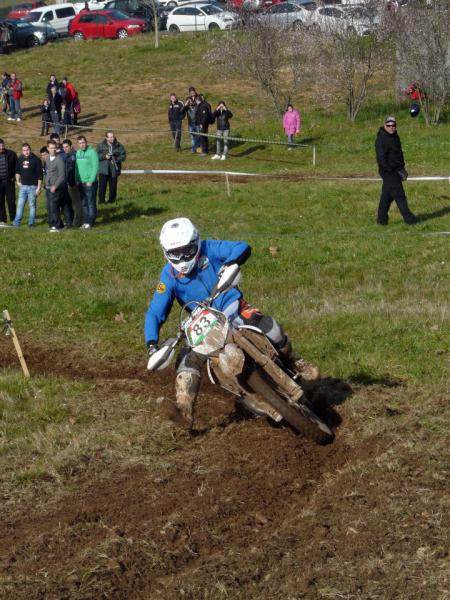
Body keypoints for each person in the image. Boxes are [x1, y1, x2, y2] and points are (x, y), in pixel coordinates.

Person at [144, 217, 320, 427]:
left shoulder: (210, 248)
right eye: (175, 253)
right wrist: (152, 345)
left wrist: (229, 264)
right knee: (186, 360)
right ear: (166, 252)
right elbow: (155, 312)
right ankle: (185, 411)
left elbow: (241, 247)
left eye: (187, 251)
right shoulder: (168, 276)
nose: (182, 258)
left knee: (270, 328)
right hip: (206, 325)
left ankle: (294, 360)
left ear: (196, 242)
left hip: (231, 307)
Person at [375, 116, 419, 226]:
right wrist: (389, 171)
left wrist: (402, 168)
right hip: (389, 172)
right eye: (389, 125)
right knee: (400, 196)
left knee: (387, 196)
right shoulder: (381, 139)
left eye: (393, 125)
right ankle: (410, 220)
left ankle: (381, 220)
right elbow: (381, 158)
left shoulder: (395, 136)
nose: (391, 127)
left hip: (397, 170)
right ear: (385, 125)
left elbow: (399, 154)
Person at [13, 143, 42, 228]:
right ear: (22, 151)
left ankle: (31, 223)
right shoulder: (20, 159)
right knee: (20, 205)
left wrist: (38, 188)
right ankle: (16, 223)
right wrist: (18, 182)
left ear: (30, 149)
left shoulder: (36, 160)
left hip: (33, 187)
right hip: (23, 187)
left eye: (27, 150)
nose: (26, 152)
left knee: (32, 206)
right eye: (24, 150)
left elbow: (40, 175)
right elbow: (17, 171)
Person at [75, 135, 99, 230]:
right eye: (80, 143)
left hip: (90, 183)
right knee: (84, 203)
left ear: (86, 142)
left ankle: (91, 222)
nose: (82, 145)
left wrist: (91, 180)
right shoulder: (78, 153)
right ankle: (85, 221)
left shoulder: (92, 152)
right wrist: (76, 179)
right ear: (78, 144)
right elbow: (76, 168)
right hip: (81, 182)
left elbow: (95, 167)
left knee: (91, 202)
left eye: (83, 142)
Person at [96, 131, 126, 204]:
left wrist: (116, 159)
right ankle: (101, 201)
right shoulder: (100, 145)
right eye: (110, 137)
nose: (112, 138)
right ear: (106, 138)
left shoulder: (119, 145)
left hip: (114, 170)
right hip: (103, 170)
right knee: (102, 187)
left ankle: (111, 201)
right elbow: (96, 156)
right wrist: (104, 156)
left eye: (113, 137)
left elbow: (123, 156)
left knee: (113, 186)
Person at [44, 139, 66, 232]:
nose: (52, 150)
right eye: (51, 148)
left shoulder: (59, 159)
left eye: (54, 148)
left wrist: (55, 186)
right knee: (49, 206)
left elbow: (62, 175)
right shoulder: (47, 159)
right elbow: (48, 173)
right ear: (48, 148)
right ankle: (56, 224)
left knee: (54, 206)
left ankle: (56, 226)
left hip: (56, 188)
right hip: (48, 187)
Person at [62, 139, 82, 227]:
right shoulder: (68, 155)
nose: (65, 149)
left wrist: (72, 182)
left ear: (71, 146)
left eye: (66, 147)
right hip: (69, 183)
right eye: (63, 147)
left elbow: (72, 171)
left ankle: (77, 222)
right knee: (73, 203)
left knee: (76, 203)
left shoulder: (73, 156)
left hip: (73, 183)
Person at [0, 138, 17, 226]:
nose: (1, 147)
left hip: (9, 182)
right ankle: (2, 220)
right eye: (0, 145)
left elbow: (17, 167)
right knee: (0, 202)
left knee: (11, 201)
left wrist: (14, 178)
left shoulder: (11, 154)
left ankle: (14, 219)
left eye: (2, 145)